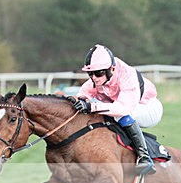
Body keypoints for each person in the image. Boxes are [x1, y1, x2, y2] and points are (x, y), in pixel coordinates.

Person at [69, 44, 163, 175]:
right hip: (124, 107)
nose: (94, 77)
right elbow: (82, 95)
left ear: (111, 69)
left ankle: (144, 157)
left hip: (148, 108)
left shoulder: (127, 75)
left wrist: (92, 106)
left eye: (98, 73)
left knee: (119, 115)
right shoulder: (99, 77)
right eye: (90, 73)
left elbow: (122, 108)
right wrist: (78, 101)